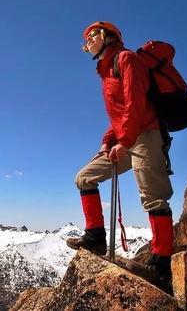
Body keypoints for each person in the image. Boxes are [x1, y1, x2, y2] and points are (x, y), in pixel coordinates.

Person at [66, 21, 174, 290]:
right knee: (84, 178)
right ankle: (96, 237)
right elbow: (119, 115)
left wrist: (124, 141)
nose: (88, 41)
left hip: (146, 134)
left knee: (152, 196)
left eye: (92, 35)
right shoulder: (105, 73)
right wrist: (108, 142)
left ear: (108, 36)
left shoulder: (127, 59)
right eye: (86, 39)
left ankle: (162, 262)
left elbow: (136, 103)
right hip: (126, 137)